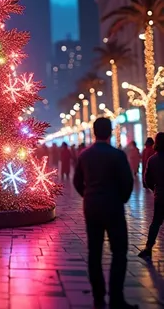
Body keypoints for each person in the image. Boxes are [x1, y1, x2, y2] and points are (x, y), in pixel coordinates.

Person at [73, 117, 136, 309]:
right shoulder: (117, 155)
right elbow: (127, 182)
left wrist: (88, 196)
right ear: (110, 132)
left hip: (92, 207)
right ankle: (116, 297)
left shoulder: (85, 155)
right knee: (119, 252)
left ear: (94, 132)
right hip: (113, 207)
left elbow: (77, 181)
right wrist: (120, 199)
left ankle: (98, 297)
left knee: (95, 252)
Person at [138, 132, 164, 259]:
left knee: (156, 222)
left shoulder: (152, 159)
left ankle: (148, 248)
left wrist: (154, 189)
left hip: (160, 195)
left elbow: (147, 179)